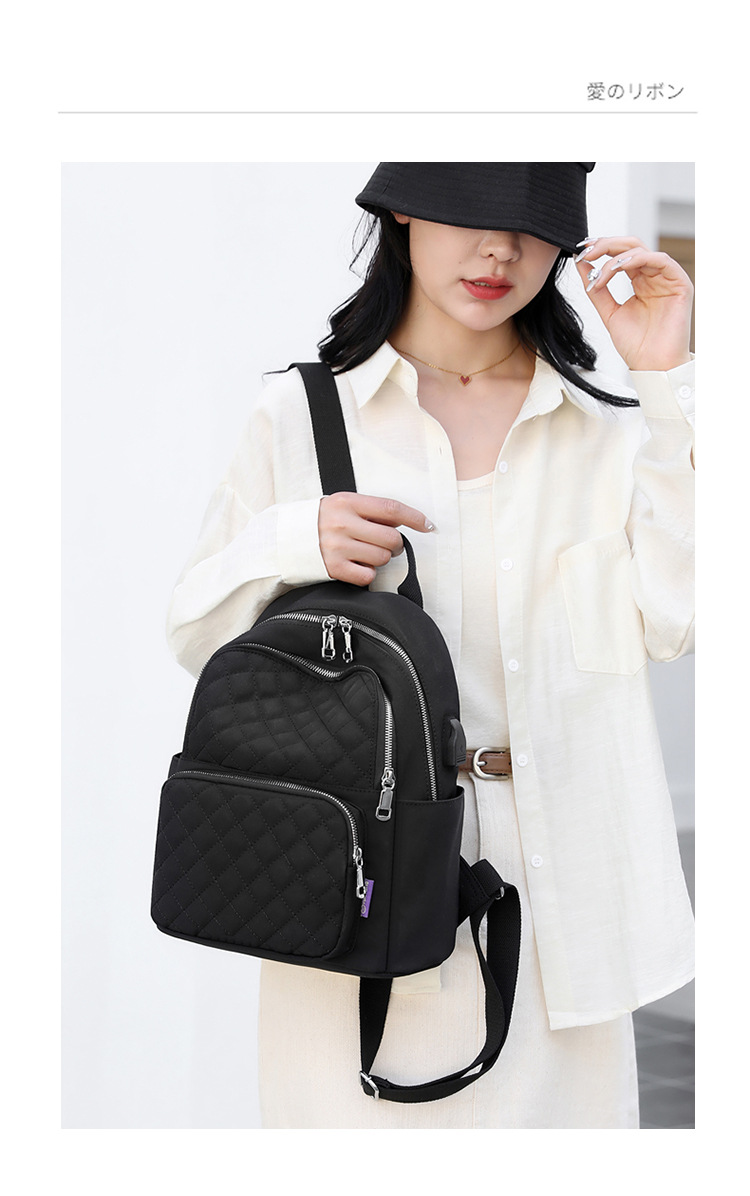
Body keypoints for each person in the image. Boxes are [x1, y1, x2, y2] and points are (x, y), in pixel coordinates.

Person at [166, 163, 695, 1129]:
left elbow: (680, 617)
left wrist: (665, 381)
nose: (501, 250)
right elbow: (198, 633)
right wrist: (296, 542)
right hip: (356, 897)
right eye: (470, 212)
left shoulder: (608, 434)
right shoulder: (302, 417)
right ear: (403, 208)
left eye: (533, 226)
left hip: (565, 917)